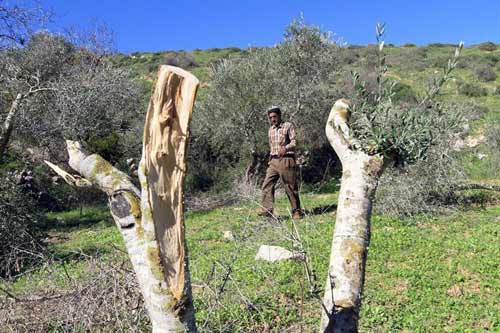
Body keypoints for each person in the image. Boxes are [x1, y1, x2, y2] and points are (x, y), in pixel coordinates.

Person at [259, 106, 302, 220]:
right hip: (273, 161)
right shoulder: (271, 129)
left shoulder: (288, 125)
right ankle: (267, 210)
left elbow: (294, 141)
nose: (273, 119)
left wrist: (286, 148)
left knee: (290, 186)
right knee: (266, 185)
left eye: (274, 116)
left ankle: (296, 211)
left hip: (286, 159)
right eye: (270, 117)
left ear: (279, 115)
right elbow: (271, 146)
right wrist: (270, 160)